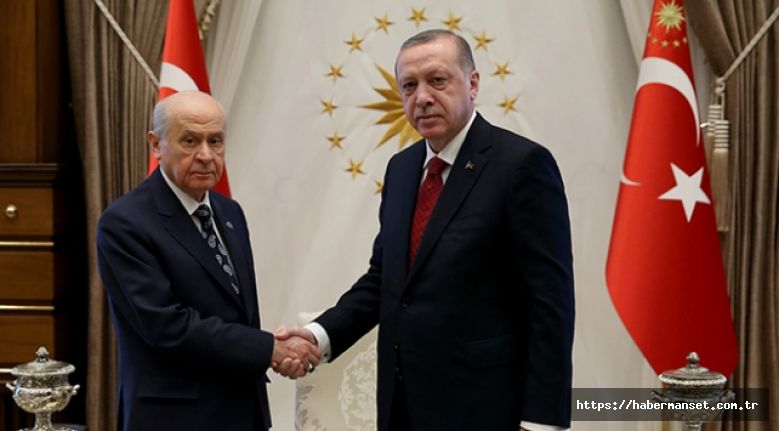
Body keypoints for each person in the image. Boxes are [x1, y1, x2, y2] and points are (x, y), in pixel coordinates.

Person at [276, 29, 575, 431]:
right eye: (409, 86)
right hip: (402, 405)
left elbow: (550, 303)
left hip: (485, 409)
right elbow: (385, 280)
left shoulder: (522, 165)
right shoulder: (402, 169)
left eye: (437, 80)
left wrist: (541, 420)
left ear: (472, 83)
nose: (422, 97)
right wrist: (318, 336)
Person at [97, 91, 319, 431]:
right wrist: (269, 349)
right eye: (190, 141)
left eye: (215, 141)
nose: (205, 155)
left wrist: (270, 351)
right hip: (174, 419)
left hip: (243, 412)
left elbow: (236, 313)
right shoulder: (125, 223)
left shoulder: (229, 212)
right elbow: (167, 328)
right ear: (156, 145)